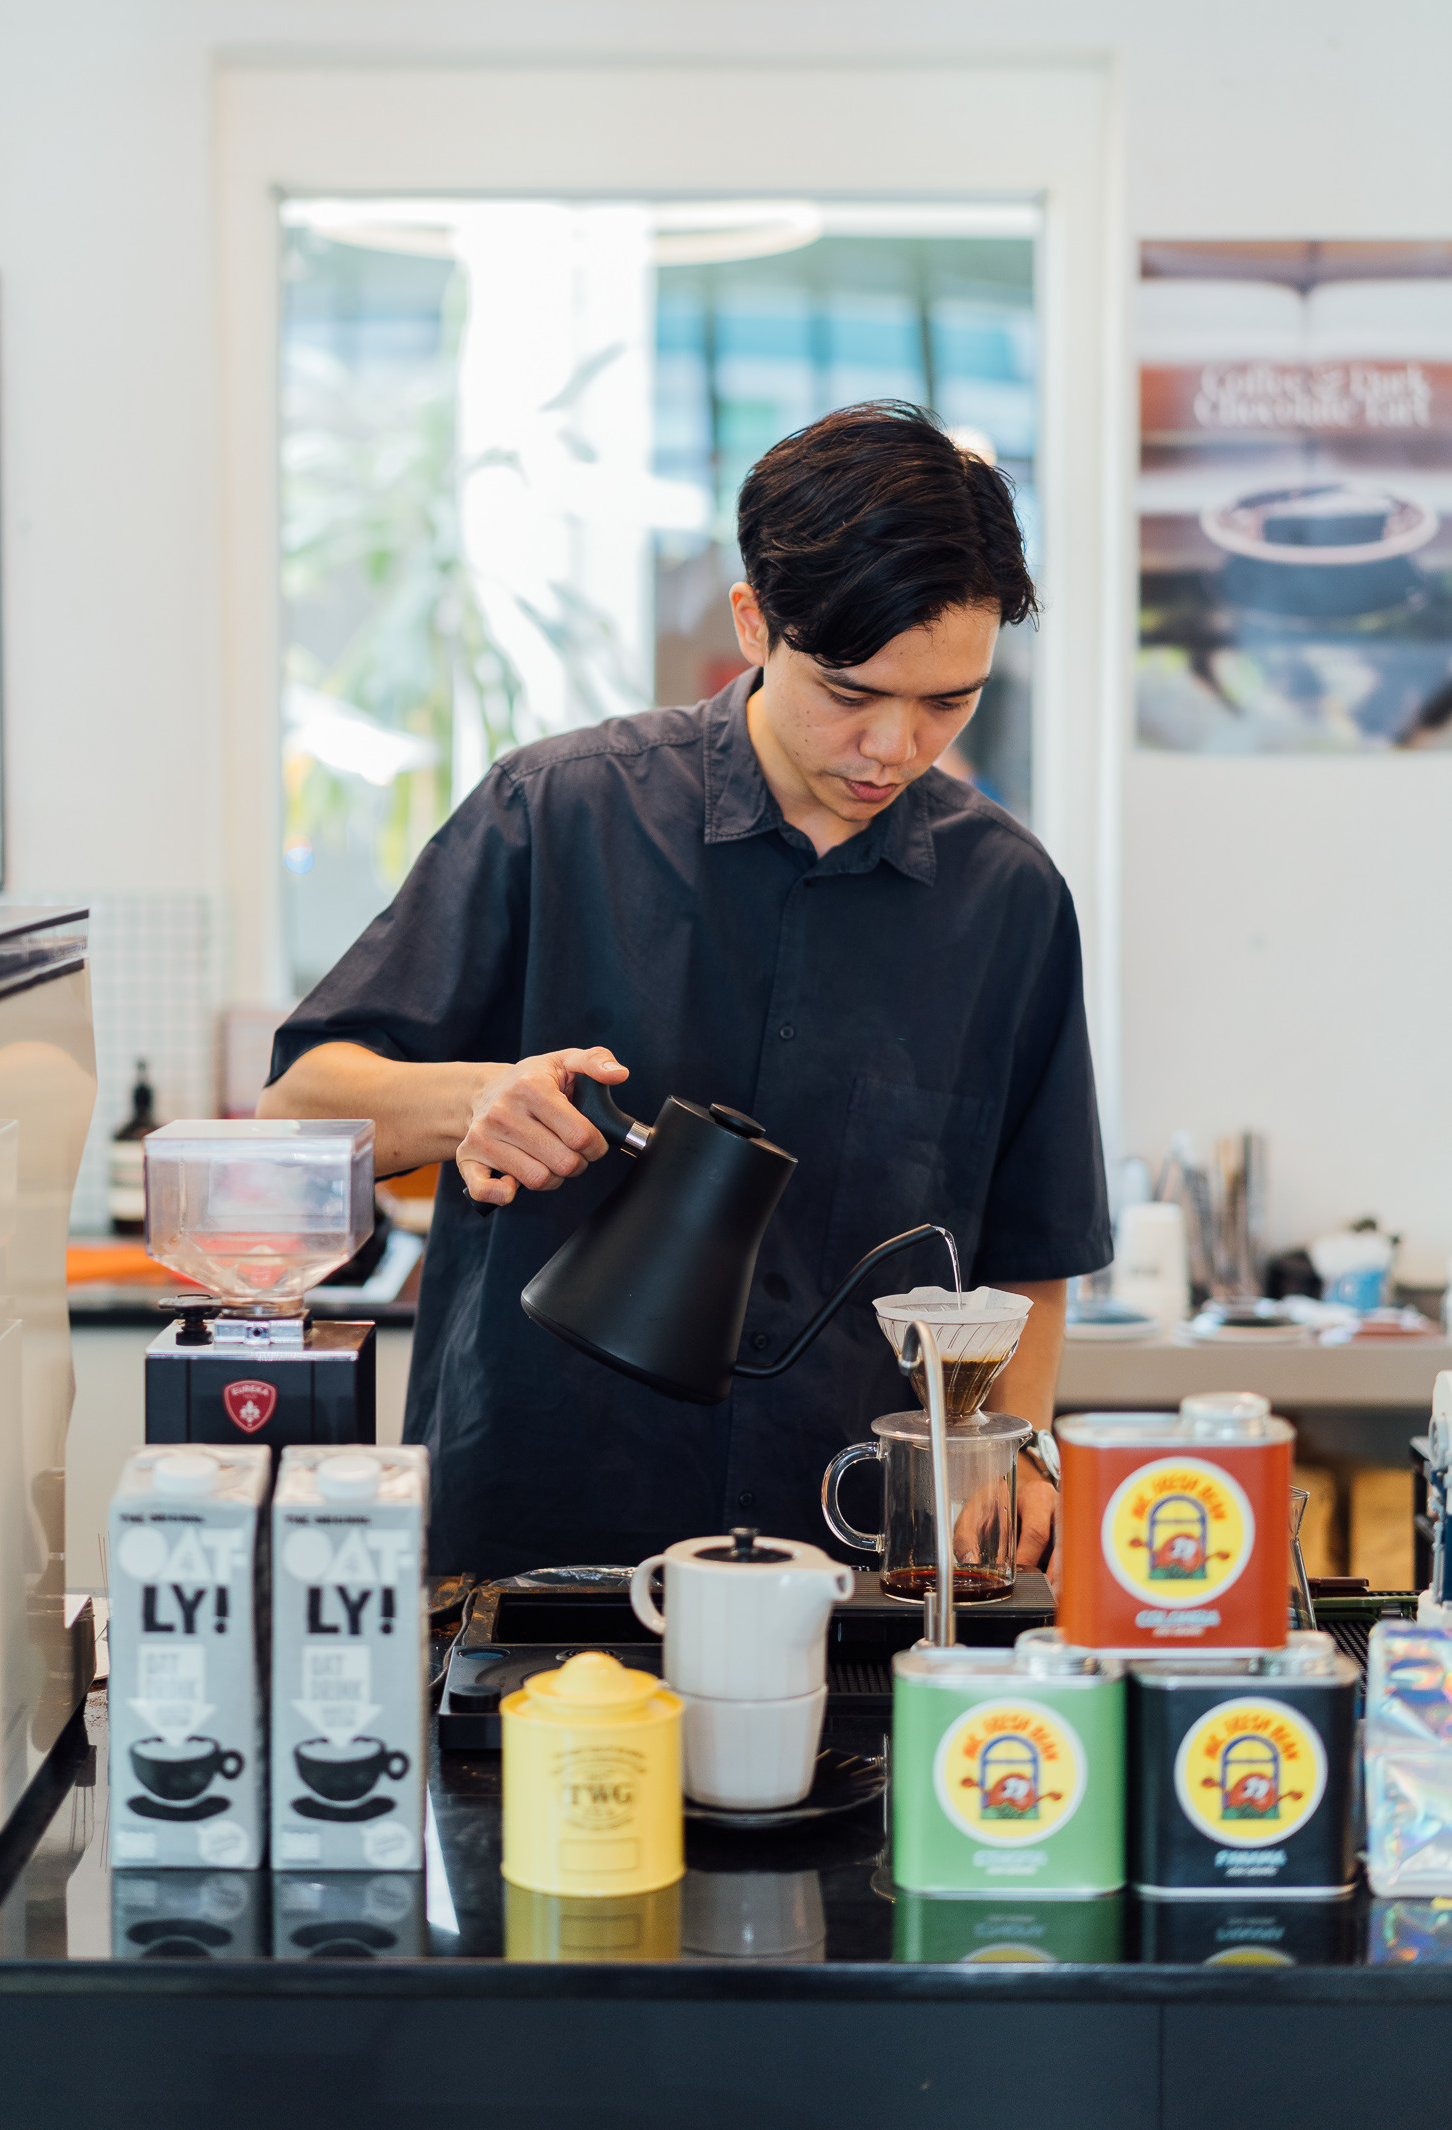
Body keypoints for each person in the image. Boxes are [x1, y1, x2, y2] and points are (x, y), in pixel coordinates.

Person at [262, 403, 1112, 1579]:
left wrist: (1020, 1449)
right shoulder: (557, 813)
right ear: (752, 619)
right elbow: (300, 1107)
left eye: (945, 703)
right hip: (540, 1532)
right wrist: (476, 1101)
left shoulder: (1004, 897)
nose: (892, 747)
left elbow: (1032, 1240)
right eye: (850, 692)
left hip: (856, 1549)